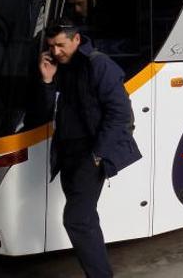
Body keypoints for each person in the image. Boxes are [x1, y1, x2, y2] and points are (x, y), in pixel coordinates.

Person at [38, 17, 141, 278]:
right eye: (52, 46)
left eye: (61, 45)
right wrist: (47, 81)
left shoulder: (99, 65)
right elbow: (46, 111)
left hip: (90, 154)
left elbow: (121, 114)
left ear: (76, 39)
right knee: (86, 218)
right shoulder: (59, 67)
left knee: (77, 219)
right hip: (66, 155)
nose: (56, 51)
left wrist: (97, 155)